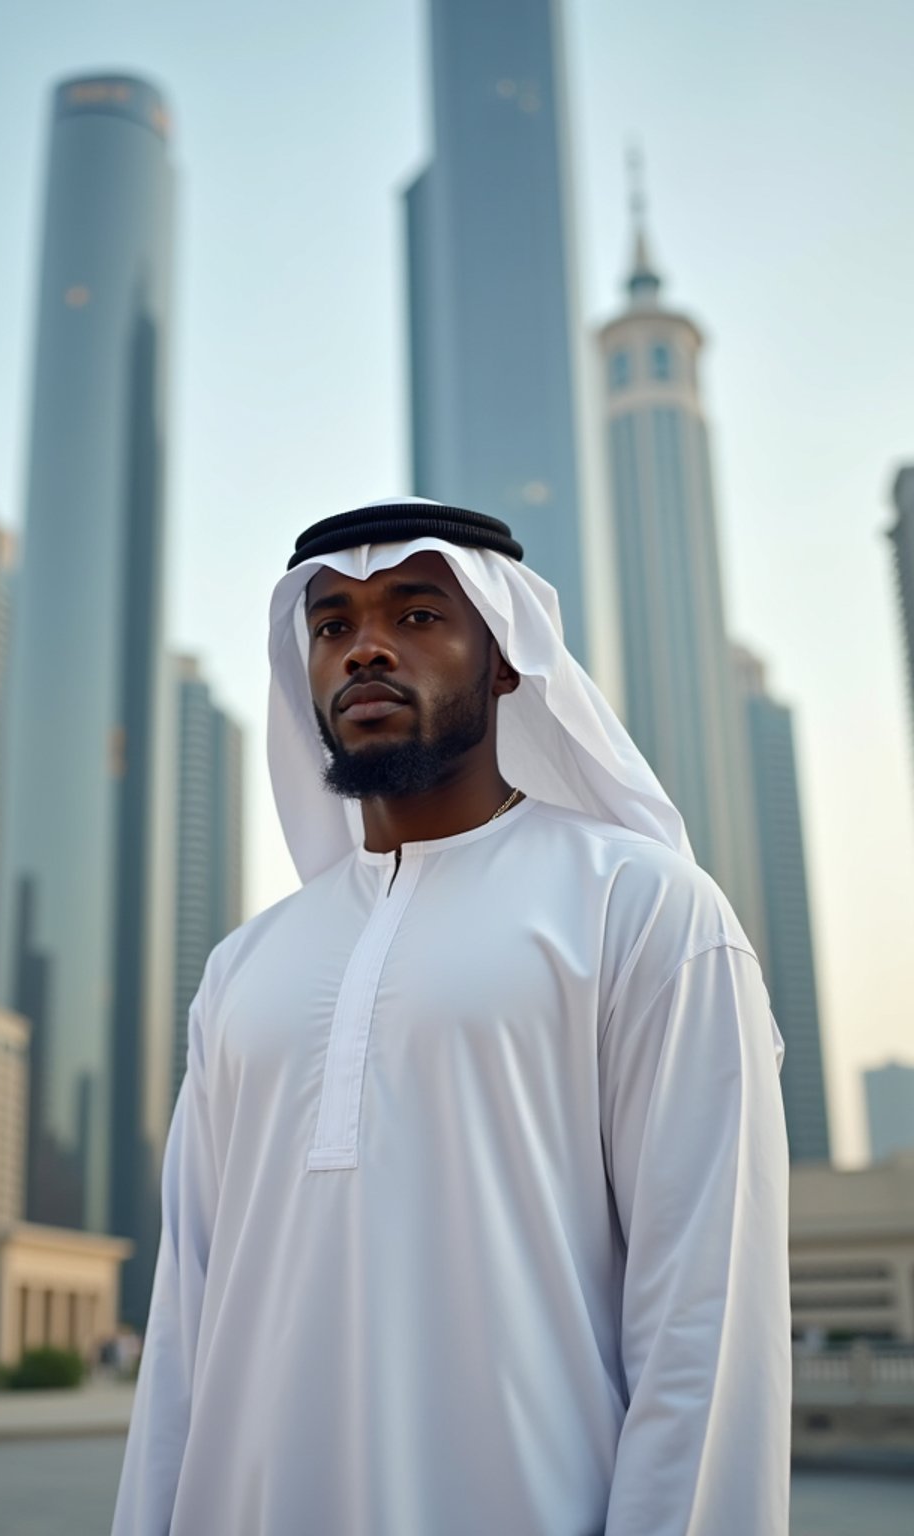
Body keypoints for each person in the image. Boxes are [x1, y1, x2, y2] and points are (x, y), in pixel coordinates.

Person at [112, 498, 790, 1536]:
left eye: (417, 615)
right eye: (332, 624)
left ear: (507, 657)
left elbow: (706, 1319)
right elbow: (184, 1328)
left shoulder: (640, 908)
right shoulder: (242, 969)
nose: (365, 647)